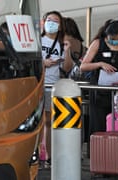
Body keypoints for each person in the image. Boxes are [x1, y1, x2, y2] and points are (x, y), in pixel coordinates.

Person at [80, 19, 118, 148]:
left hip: (116, 90)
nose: (115, 41)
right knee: (98, 122)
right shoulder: (98, 43)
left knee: (115, 120)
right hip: (99, 89)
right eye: (112, 38)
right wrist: (100, 64)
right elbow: (83, 66)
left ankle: (114, 150)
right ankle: (97, 151)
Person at [40, 10, 73, 167]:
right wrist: (43, 63)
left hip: (53, 85)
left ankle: (48, 156)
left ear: (60, 26)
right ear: (44, 22)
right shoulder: (37, 41)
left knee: (49, 121)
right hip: (38, 84)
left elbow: (67, 68)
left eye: (55, 21)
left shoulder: (61, 44)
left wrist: (67, 51)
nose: (51, 23)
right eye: (49, 20)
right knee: (39, 121)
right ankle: (37, 154)